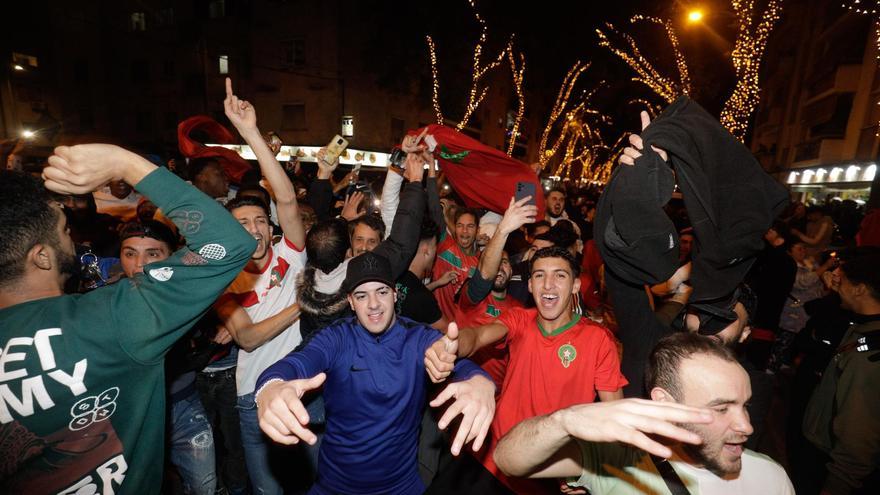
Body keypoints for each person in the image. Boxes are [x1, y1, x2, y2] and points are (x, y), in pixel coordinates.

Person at [0, 143, 254, 493]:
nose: (71, 237)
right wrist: (126, 163)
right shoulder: (110, 318)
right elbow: (228, 245)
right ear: (42, 256)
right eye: (62, 230)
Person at [254, 251, 497, 495]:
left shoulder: (418, 338)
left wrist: (481, 382)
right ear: (350, 301)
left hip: (402, 488)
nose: (373, 304)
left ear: (394, 294)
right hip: (334, 487)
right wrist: (271, 387)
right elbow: (295, 363)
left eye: (381, 292)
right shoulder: (336, 337)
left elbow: (454, 361)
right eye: (362, 295)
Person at [426, 246, 627, 491]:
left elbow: (613, 417)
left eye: (559, 276)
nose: (548, 284)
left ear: (576, 285)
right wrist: (453, 345)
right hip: (489, 458)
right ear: (530, 285)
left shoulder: (597, 339)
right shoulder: (520, 319)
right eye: (539, 275)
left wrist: (590, 474)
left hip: (547, 474)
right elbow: (477, 336)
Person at [493, 333, 795, 495]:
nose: (746, 426)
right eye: (721, 408)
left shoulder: (771, 477)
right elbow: (508, 460)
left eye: (745, 405)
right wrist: (565, 420)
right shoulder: (620, 461)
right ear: (665, 403)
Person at [213, 78, 308, 494]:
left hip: (302, 387)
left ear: (270, 230)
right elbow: (248, 338)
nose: (253, 230)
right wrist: (304, 305)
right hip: (251, 398)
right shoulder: (223, 281)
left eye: (258, 222)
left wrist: (251, 133)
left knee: (310, 484)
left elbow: (286, 199)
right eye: (242, 225)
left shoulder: (291, 254)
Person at [117, 220, 218, 495]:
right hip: (133, 414)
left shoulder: (192, 297)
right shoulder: (105, 305)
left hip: (183, 405)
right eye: (130, 253)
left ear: (171, 257)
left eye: (152, 253)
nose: (140, 264)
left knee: (204, 485)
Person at [802, 253, 880, 495]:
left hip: (831, 467)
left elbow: (858, 439)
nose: (837, 285)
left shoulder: (869, 354)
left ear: (859, 290)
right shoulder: (861, 327)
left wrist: (836, 486)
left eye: (843, 280)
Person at [453, 195, 536, 386]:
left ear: (512, 269)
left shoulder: (518, 309)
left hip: (499, 395)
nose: (499, 267)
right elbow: (484, 275)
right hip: (463, 388)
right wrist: (503, 229)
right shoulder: (472, 297)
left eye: (504, 262)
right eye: (495, 262)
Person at [432, 207, 480, 320]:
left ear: (478, 231)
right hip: (435, 325)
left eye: (470, 226)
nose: (464, 230)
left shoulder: (480, 263)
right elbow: (434, 209)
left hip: (462, 329)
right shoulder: (445, 245)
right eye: (460, 225)